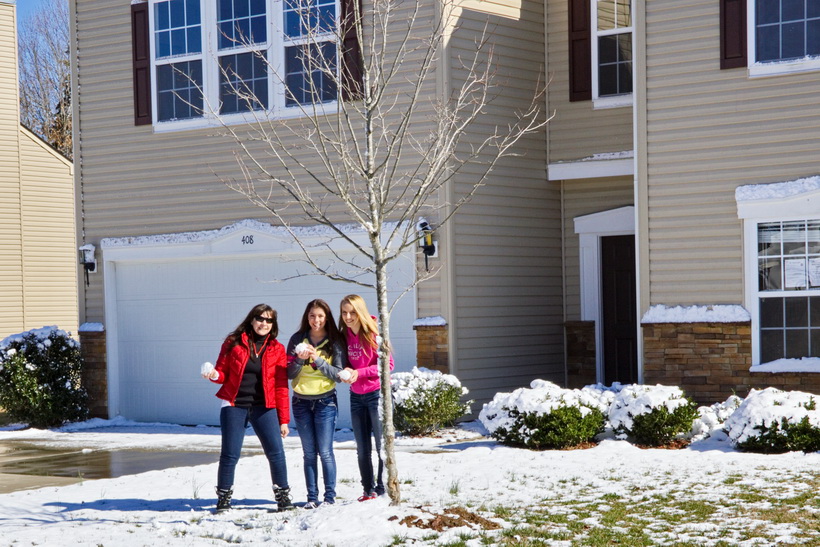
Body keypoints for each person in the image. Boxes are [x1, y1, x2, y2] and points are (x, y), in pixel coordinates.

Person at [202, 303, 294, 513]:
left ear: (273, 324)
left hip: (265, 407)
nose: (264, 323)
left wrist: (284, 419)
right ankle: (224, 497)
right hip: (234, 404)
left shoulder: (277, 349)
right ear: (251, 320)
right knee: (230, 454)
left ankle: (282, 495)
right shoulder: (233, 342)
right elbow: (222, 372)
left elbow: (281, 385)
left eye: (268, 320)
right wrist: (213, 375)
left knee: (276, 452)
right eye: (260, 319)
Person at [286, 299, 347, 509]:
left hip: (325, 402)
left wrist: (317, 360)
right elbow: (288, 373)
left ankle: (329, 498)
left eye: (320, 316)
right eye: (312, 316)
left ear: (327, 317)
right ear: (307, 317)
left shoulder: (335, 341)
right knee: (309, 453)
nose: (316, 320)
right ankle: (312, 498)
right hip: (301, 402)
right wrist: (300, 359)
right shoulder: (297, 339)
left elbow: (338, 375)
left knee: (325, 451)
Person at [338, 294, 394, 501]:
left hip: (376, 395)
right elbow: (346, 363)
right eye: (344, 312)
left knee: (381, 448)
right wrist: (346, 371)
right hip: (356, 397)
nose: (348, 316)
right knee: (362, 449)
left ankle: (382, 487)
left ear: (360, 312)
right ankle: (367, 489)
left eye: (352, 312)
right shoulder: (344, 336)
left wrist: (359, 373)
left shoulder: (373, 334)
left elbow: (387, 365)